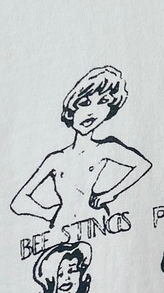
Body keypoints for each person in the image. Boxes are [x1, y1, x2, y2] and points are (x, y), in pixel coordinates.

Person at [10, 65, 152, 227]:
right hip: (63, 226)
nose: (92, 112)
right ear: (72, 109)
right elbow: (18, 202)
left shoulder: (105, 149)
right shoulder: (56, 159)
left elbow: (142, 165)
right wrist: (49, 213)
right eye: (85, 103)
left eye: (102, 102)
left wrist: (110, 194)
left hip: (95, 222)